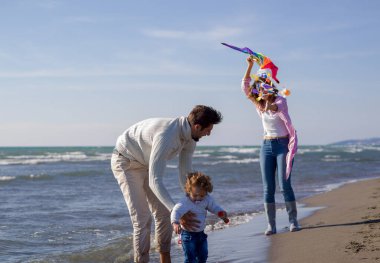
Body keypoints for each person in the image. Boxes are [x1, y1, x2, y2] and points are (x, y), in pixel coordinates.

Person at [111, 105, 222, 263]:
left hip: (146, 162)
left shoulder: (191, 138)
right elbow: (155, 180)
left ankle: (165, 259)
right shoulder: (167, 136)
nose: (209, 133)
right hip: (126, 162)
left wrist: (198, 201)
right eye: (208, 130)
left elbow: (186, 177)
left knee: (164, 213)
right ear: (197, 126)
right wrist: (177, 212)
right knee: (142, 219)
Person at [241, 56, 300, 235]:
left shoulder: (280, 102)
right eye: (260, 88)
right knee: (268, 188)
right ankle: (271, 225)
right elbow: (245, 87)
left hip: (282, 145)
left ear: (271, 88)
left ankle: (293, 221)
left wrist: (269, 103)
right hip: (266, 146)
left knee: (284, 185)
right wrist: (250, 67)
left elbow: (275, 109)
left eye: (266, 87)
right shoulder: (259, 105)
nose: (263, 90)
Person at [171, 172, 229, 263]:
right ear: (189, 190)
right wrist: (175, 223)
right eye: (195, 195)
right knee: (190, 259)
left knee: (203, 256)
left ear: (206, 192)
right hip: (187, 235)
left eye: (201, 195)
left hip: (201, 234)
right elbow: (176, 211)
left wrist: (221, 213)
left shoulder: (207, 199)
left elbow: (214, 207)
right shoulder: (185, 202)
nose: (198, 198)